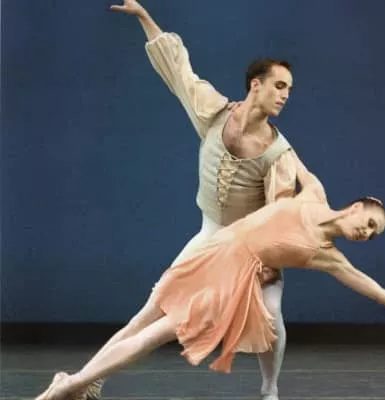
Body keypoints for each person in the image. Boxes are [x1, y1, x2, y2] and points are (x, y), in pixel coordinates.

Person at [34, 154, 385, 400]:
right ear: (354, 208)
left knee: (156, 334)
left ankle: (69, 385)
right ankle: (80, 383)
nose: (366, 233)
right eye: (368, 223)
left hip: (231, 279)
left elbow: (379, 292)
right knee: (143, 321)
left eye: (373, 234)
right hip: (211, 252)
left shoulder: (328, 256)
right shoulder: (313, 193)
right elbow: (283, 148)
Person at [87, 1, 301, 399]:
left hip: (251, 248)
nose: (285, 95)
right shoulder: (215, 113)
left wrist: (267, 262)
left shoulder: (278, 154)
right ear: (255, 85)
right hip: (209, 235)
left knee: (271, 315)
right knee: (151, 310)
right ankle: (89, 379)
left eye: (289, 89)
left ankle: (270, 390)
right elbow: (178, 69)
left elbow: (279, 212)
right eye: (279, 85)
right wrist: (144, 17)